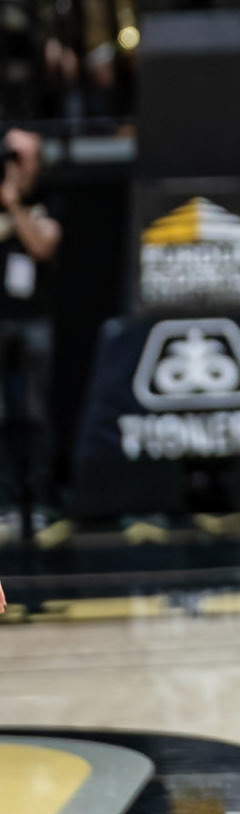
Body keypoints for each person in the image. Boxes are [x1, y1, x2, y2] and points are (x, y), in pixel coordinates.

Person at [0, 129, 62, 540]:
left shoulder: (50, 197)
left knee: (36, 413)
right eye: (11, 156)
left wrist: (14, 206)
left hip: (34, 318)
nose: (17, 164)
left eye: (23, 157)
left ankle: (39, 502)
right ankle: (5, 504)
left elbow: (43, 245)